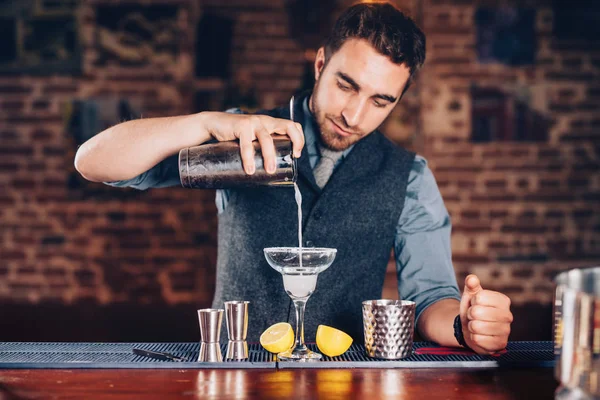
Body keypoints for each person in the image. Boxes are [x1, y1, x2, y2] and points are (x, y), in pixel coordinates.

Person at [74, 3, 513, 354]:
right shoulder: (237, 137)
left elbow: (432, 297)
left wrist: (465, 325)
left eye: (380, 101)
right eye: (346, 85)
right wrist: (207, 123)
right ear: (320, 64)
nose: (353, 116)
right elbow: (93, 162)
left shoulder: (410, 177)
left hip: (347, 383)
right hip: (235, 377)